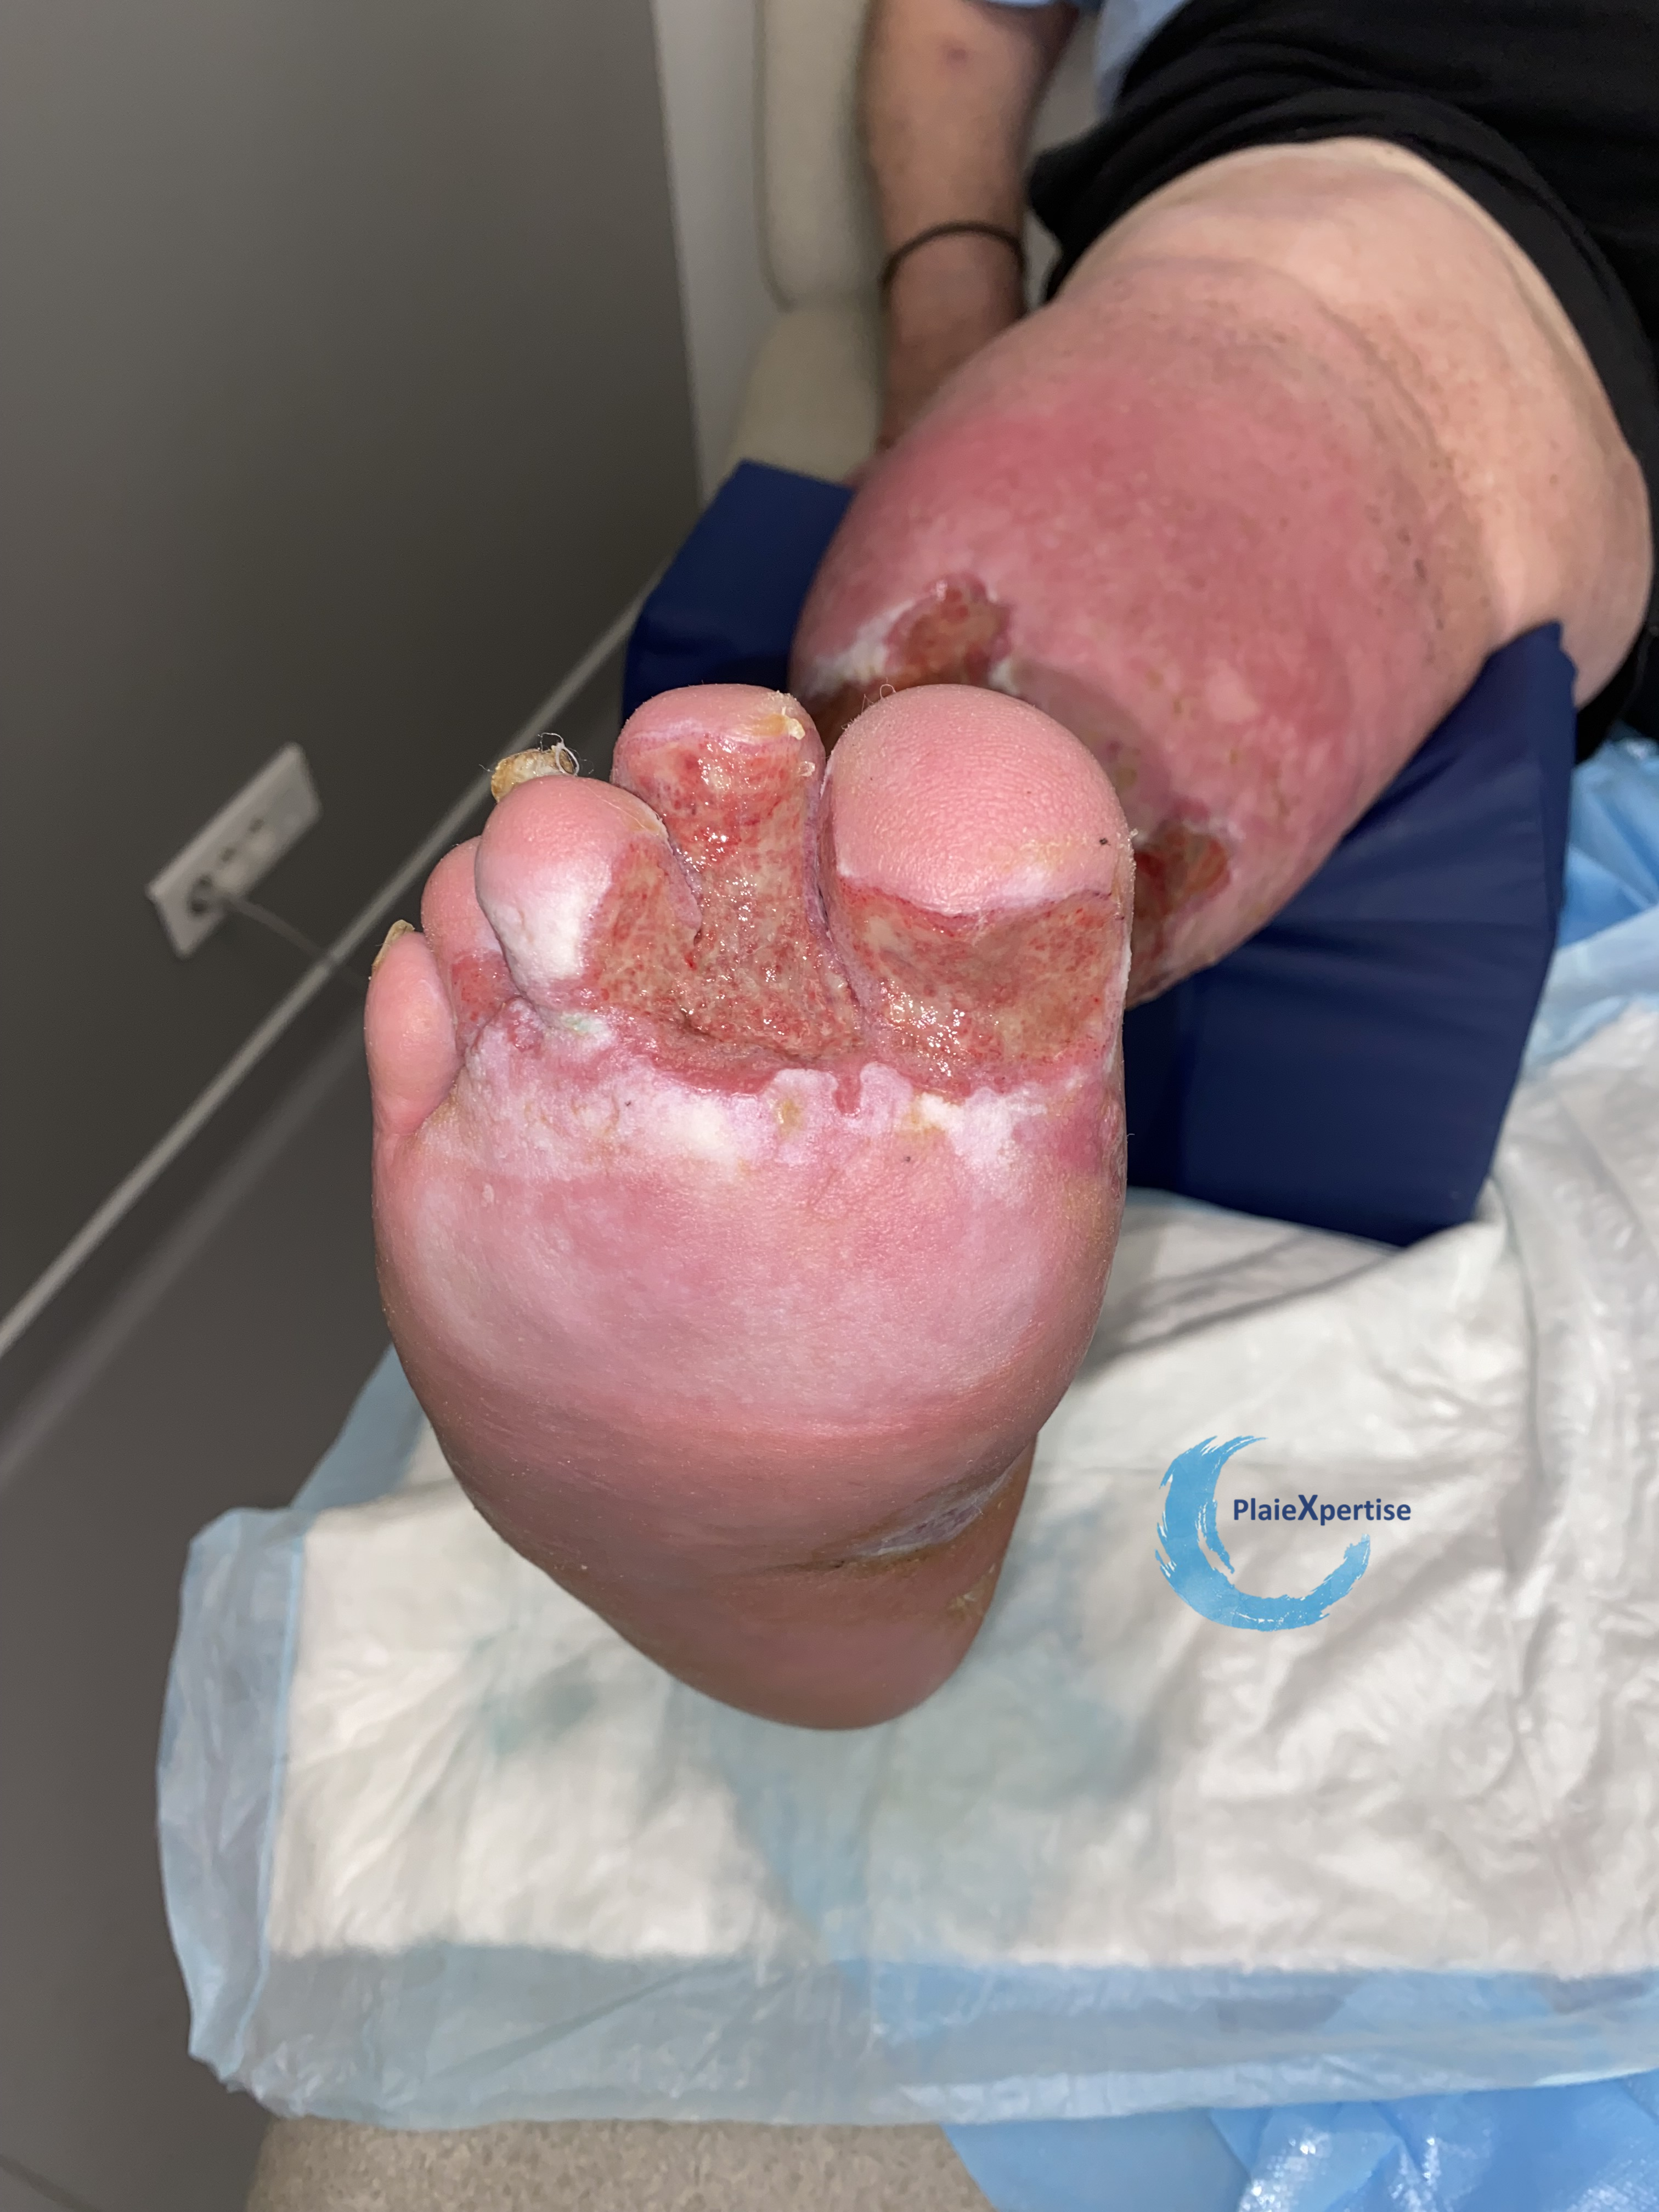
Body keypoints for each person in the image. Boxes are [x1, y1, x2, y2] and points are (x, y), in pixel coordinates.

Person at [364, 0, 1656, 1729]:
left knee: (1034, 718)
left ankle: (868, 1476)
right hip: (1386, 183)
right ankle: (866, 1477)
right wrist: (951, 314)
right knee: (1036, 692)